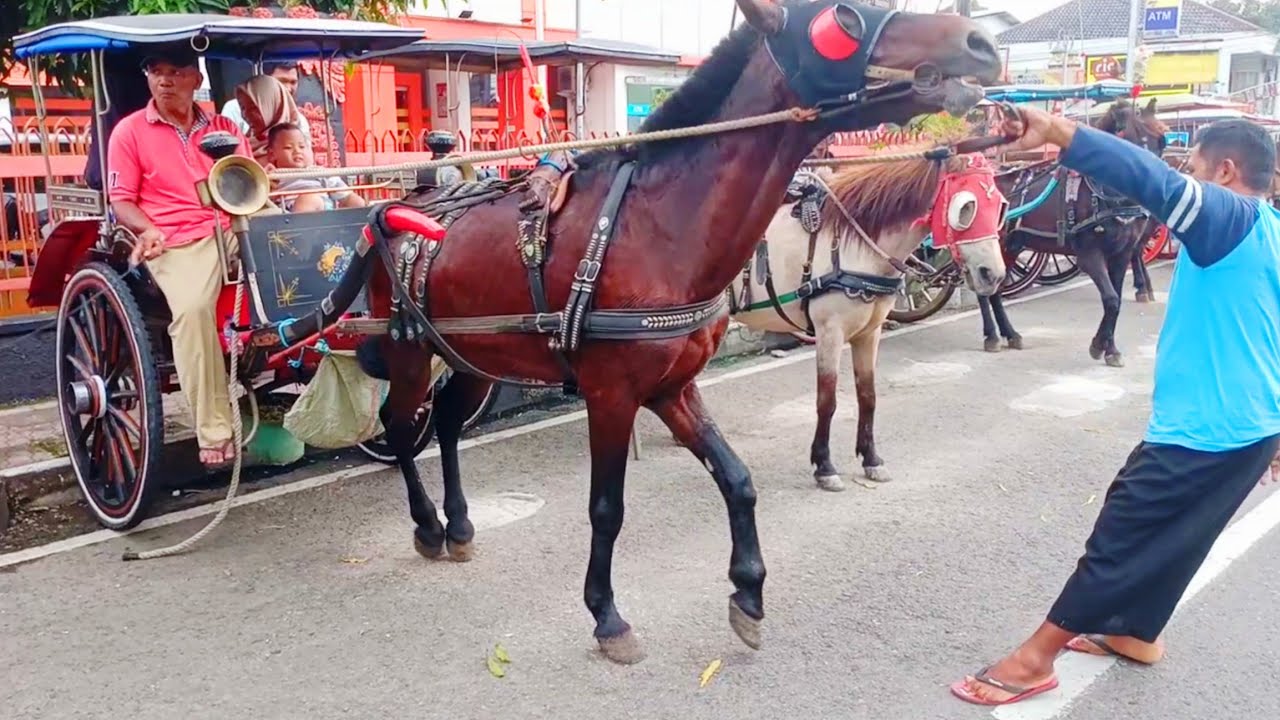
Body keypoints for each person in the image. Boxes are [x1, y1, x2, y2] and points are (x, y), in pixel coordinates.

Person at [950, 105, 1280, 706]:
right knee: (1180, 532)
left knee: (1124, 533)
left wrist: (1060, 134)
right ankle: (1136, 633)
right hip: (1249, 427)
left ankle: (1034, 660)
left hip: (1209, 429)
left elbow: (1149, 180)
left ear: (1226, 172)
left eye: (1195, 168)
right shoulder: (1269, 229)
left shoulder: (1229, 218)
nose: (1186, 177)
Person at [106, 46, 251, 468]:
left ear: (196, 79)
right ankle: (214, 429)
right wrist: (148, 229)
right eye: (156, 72)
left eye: (175, 72)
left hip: (231, 225)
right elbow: (122, 202)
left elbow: (247, 182)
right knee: (191, 310)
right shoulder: (130, 131)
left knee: (302, 247)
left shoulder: (223, 127)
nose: (165, 80)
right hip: (174, 237)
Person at [266, 123, 365, 213]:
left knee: (358, 202)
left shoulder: (318, 172)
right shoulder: (272, 175)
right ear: (272, 154)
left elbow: (346, 196)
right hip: (285, 216)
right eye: (288, 147)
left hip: (321, 210)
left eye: (302, 146)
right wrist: (265, 180)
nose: (297, 151)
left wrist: (357, 203)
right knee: (306, 201)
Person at [219, 61, 312, 145]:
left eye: (293, 82)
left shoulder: (298, 120)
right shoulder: (233, 109)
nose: (287, 88)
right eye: (280, 81)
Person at [234, 74, 305, 165]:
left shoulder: (296, 144)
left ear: (273, 105)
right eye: (243, 108)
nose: (245, 115)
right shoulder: (245, 142)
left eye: (253, 108)